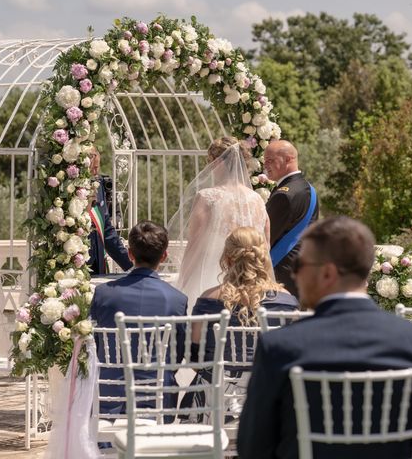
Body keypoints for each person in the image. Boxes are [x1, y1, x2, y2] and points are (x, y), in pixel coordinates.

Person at [237, 216, 412, 459]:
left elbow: (252, 447)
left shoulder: (280, 347)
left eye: (298, 266)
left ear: (327, 273)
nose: (294, 275)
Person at [180, 226, 299, 423]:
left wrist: (224, 377)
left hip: (215, 401)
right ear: (263, 258)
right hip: (268, 399)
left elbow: (194, 358)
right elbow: (291, 356)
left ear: (227, 259)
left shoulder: (208, 300)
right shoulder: (287, 302)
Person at [90, 220, 188, 414]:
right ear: (164, 256)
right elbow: (177, 355)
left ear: (130, 254)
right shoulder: (177, 300)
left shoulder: (103, 294)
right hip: (159, 398)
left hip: (108, 396)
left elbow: (94, 345)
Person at [168, 136, 270, 309]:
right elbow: (265, 245)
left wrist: (183, 282)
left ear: (218, 163)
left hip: (211, 280)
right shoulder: (257, 200)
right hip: (252, 282)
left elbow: (194, 245)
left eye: (210, 162)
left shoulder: (207, 198)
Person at [264, 140, 318, 297]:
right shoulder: (307, 188)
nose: (265, 165)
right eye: (265, 161)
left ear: (288, 159)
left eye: (270, 160)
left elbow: (266, 237)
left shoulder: (284, 195)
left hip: (282, 271)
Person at [87, 148, 133, 275]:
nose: (96, 172)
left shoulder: (99, 185)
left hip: (98, 262)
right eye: (93, 168)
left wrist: (129, 265)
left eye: (97, 167)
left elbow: (107, 230)